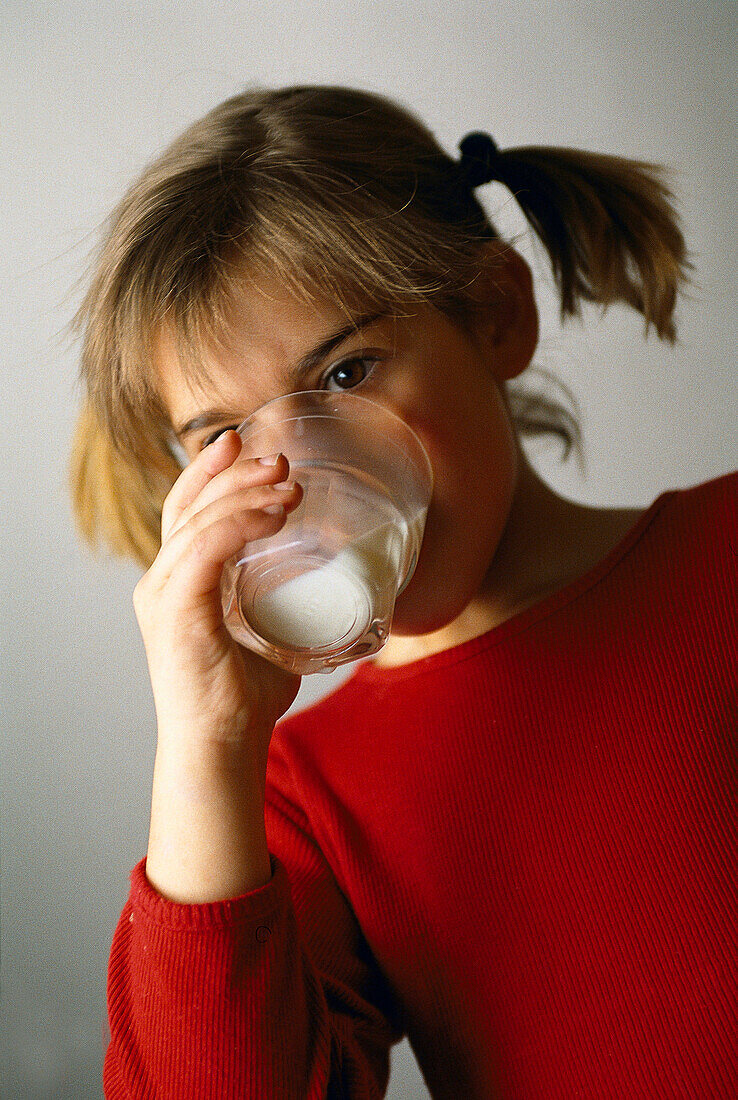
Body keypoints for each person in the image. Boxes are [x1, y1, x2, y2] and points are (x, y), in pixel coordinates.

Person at [69, 84, 736, 1098]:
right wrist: (204, 748)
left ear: (496, 314)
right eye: (224, 436)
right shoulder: (299, 795)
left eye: (343, 375)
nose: (296, 475)